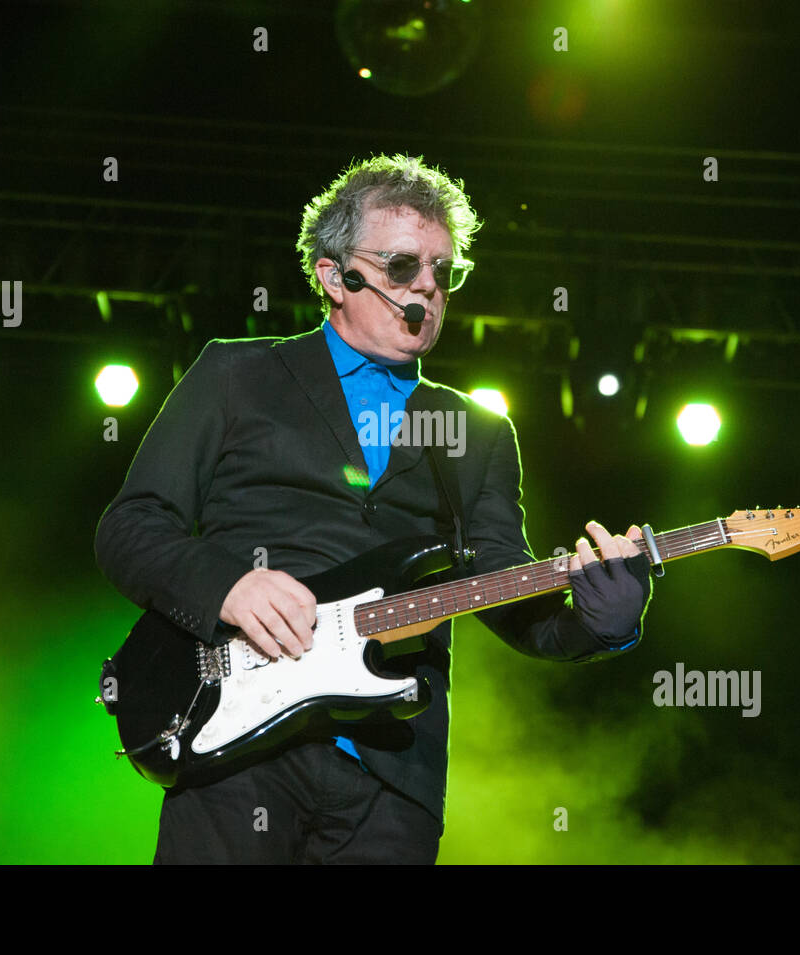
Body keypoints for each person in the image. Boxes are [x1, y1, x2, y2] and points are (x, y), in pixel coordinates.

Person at [94, 153, 653, 864]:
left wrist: (601, 622)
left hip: (394, 773)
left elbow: (505, 591)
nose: (427, 286)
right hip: (235, 741)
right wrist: (230, 585)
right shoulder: (237, 372)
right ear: (334, 274)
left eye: (443, 272)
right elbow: (130, 526)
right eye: (401, 266)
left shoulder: (477, 430)